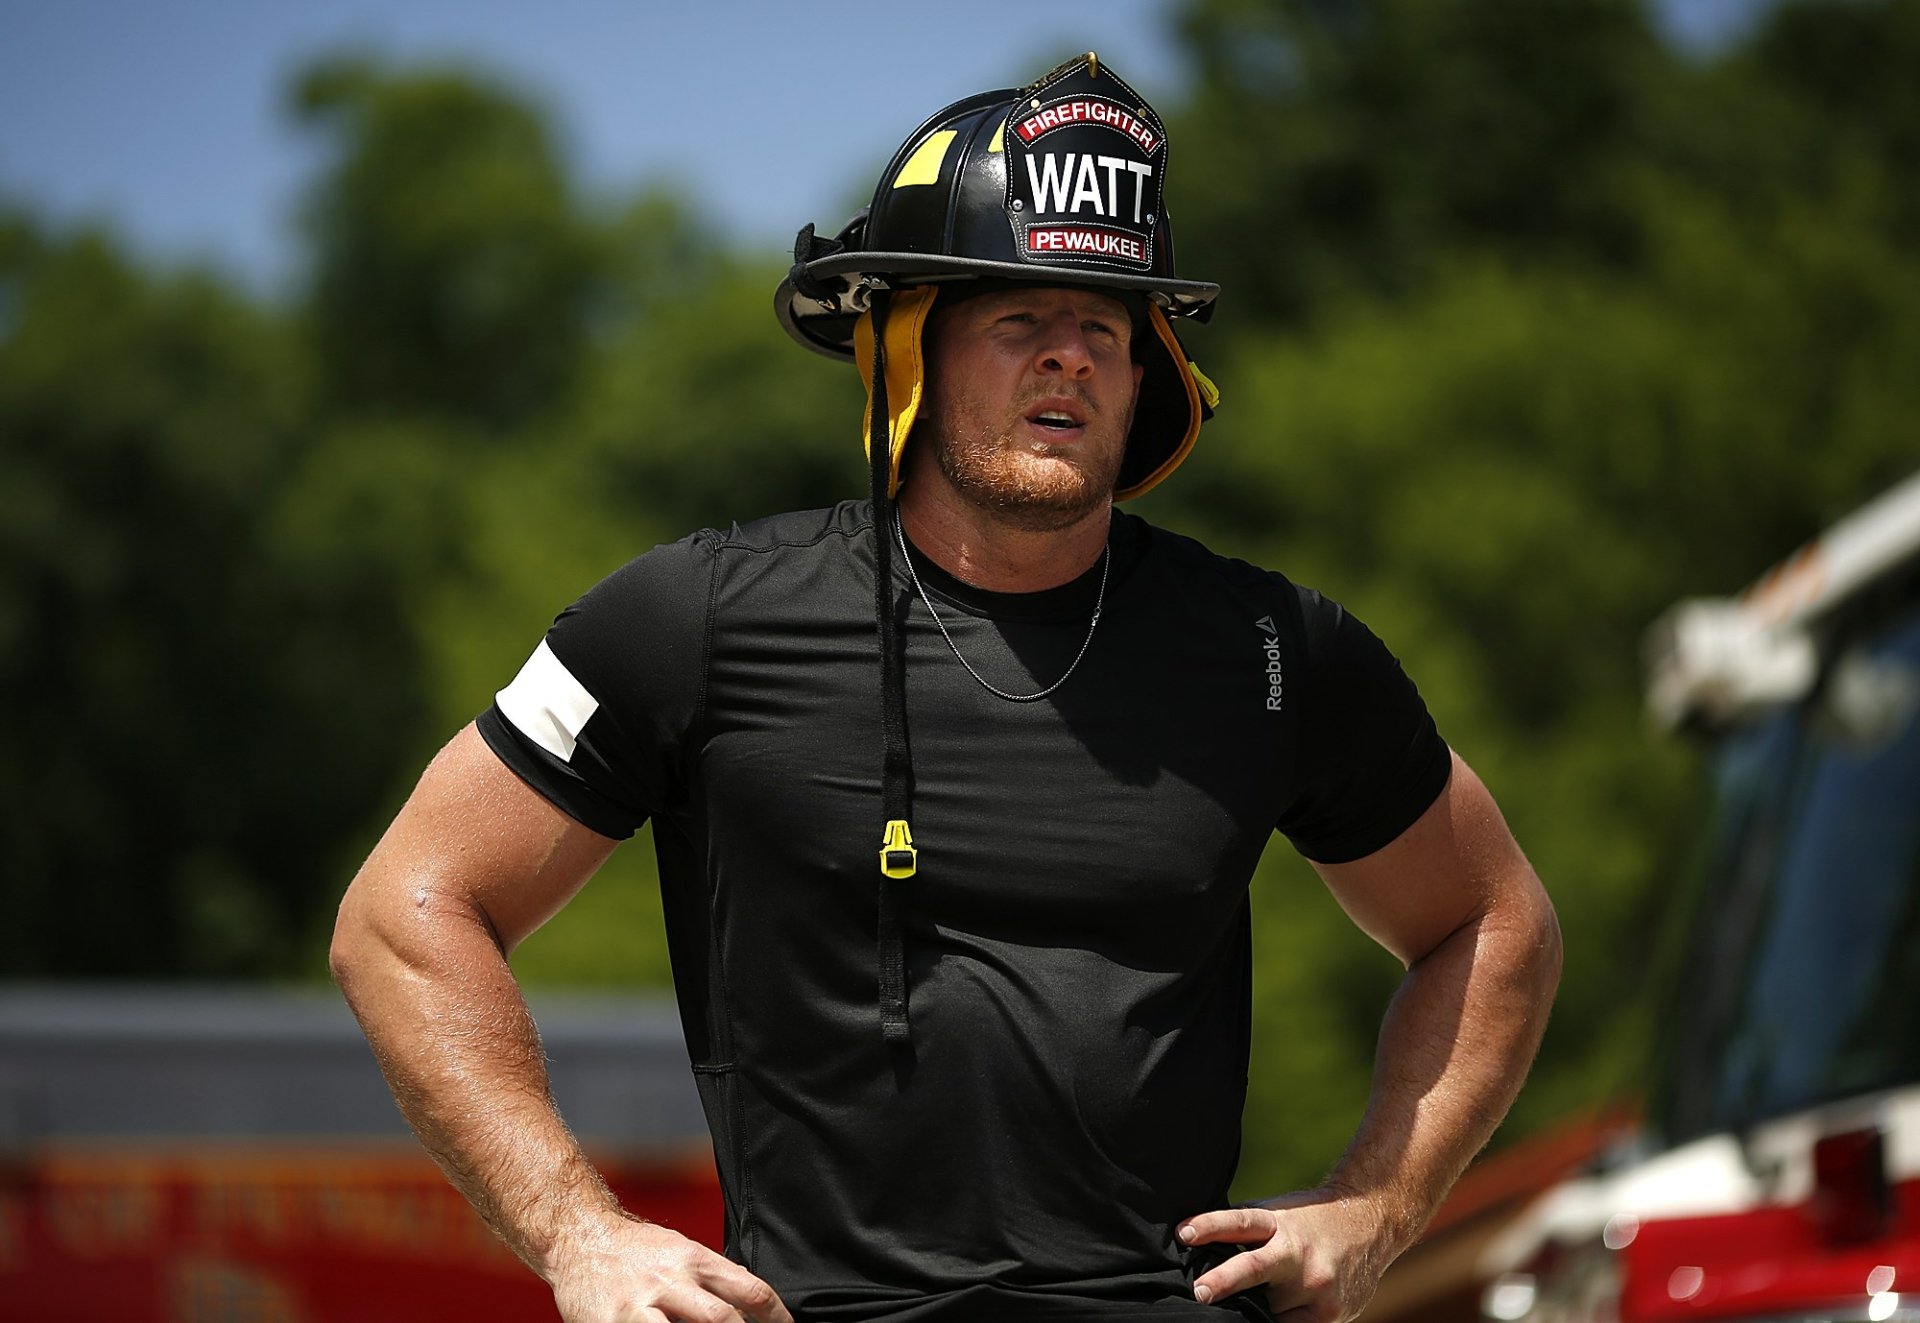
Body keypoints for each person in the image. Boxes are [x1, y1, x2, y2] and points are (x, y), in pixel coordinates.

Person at [331, 52, 1561, 1323]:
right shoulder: (693, 619)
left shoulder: (1269, 648)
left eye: (1105, 326)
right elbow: (404, 915)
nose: (1069, 359)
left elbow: (1494, 923)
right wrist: (578, 1238)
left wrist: (1372, 1211)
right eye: (1019, 320)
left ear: (1151, 378)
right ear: (906, 356)